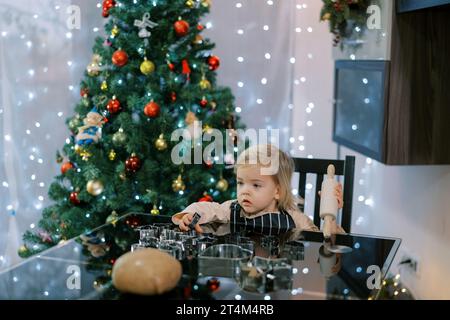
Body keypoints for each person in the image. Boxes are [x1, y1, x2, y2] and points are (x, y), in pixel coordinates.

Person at [172, 144, 344, 235]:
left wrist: (331, 219)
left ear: (277, 191)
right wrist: (187, 216)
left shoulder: (294, 219)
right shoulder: (232, 209)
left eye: (256, 185)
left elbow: (322, 241)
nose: (244, 191)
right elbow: (207, 208)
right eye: (240, 183)